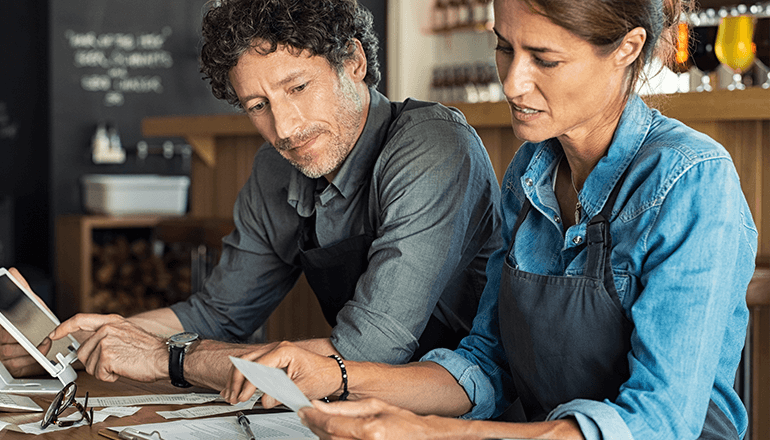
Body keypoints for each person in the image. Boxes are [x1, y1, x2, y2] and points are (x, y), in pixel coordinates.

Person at [225, 0, 757, 438]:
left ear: (626, 49)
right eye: (504, 48)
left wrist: (438, 432)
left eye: (544, 59)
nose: (512, 82)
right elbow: (486, 364)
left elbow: (660, 422)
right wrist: (335, 375)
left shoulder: (691, 179)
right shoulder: (531, 170)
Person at [0, 0, 502, 392]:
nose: (284, 128)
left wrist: (168, 359)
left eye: (298, 87)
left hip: (470, 414)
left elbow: (369, 352)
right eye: (257, 105)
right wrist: (78, 339)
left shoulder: (434, 146)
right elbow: (218, 313)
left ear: (353, 61)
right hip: (357, 412)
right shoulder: (275, 168)